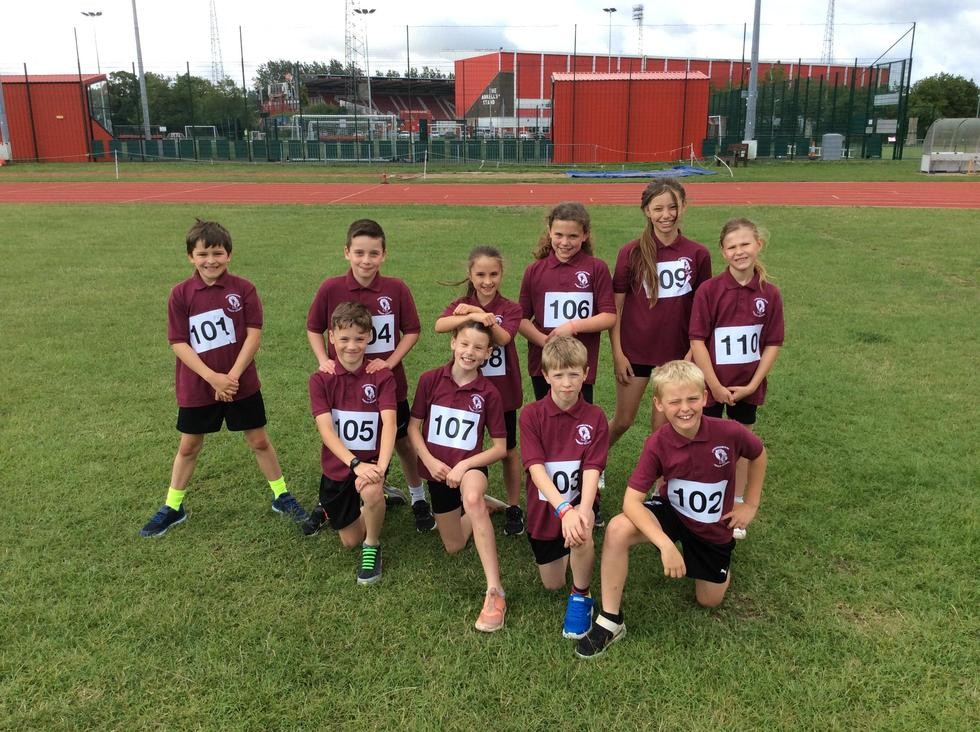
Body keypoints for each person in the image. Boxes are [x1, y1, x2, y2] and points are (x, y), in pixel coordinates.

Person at [575, 361, 767, 659]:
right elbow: (631, 501)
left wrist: (750, 503)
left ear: (705, 397)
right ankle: (611, 619)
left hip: (711, 525)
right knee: (618, 527)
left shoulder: (729, 432)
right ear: (659, 404)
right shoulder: (658, 442)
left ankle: (718, 563)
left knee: (708, 601)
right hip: (673, 512)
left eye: (692, 399)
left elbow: (758, 454)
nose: (685, 408)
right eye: (674, 401)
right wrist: (664, 544)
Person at [140, 219, 306, 538]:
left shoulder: (243, 289)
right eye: (202, 254)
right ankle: (173, 506)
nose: (210, 260)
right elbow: (178, 342)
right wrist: (212, 377)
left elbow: (253, 335)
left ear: (229, 255)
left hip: (240, 382)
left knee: (258, 439)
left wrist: (231, 376)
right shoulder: (180, 294)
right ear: (191, 257)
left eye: (217, 253)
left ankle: (281, 495)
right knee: (189, 445)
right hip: (198, 385)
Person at [306, 218, 434, 533]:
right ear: (347, 252)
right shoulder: (331, 287)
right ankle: (331, 501)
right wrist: (325, 360)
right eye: (359, 253)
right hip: (342, 385)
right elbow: (313, 327)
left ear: (384, 255)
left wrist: (389, 363)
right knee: (340, 434)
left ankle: (417, 497)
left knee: (402, 442)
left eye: (373, 253)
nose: (366, 260)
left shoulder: (396, 288)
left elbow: (412, 330)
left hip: (386, 384)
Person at [407, 321, 509, 632]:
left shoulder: (488, 393)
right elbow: (413, 427)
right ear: (453, 343)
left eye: (478, 347)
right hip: (438, 473)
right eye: (464, 344)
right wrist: (428, 460)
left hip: (470, 470)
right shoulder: (429, 380)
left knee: (472, 496)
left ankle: (495, 592)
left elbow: (501, 447)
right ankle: (483, 509)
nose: (470, 352)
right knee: (452, 546)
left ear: (488, 354)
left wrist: (465, 466)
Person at [689, 217, 783, 539]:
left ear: (758, 245)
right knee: (707, 442)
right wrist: (713, 384)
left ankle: (739, 501)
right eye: (732, 246)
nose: (739, 251)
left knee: (742, 445)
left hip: (747, 385)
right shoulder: (709, 291)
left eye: (745, 244)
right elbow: (697, 340)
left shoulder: (769, 294)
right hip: (712, 384)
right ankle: (706, 498)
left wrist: (754, 384)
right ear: (723, 251)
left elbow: (773, 342)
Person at [609, 179, 712, 446]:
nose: (666, 215)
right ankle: (593, 464)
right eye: (658, 209)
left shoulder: (698, 253)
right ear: (646, 211)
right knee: (623, 420)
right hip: (635, 352)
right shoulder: (630, 253)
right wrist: (618, 354)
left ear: (683, 207)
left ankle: (660, 484)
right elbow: (615, 307)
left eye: (672, 207)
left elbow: (703, 310)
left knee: (663, 428)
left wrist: (692, 353)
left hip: (677, 354)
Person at [520, 337, 608, 640]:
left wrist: (581, 510)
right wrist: (563, 509)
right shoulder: (531, 414)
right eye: (558, 375)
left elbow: (592, 468)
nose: (567, 383)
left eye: (574, 374)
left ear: (586, 373)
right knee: (551, 583)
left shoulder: (595, 417)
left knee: (581, 530)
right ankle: (571, 548)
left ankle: (581, 596)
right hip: (547, 508)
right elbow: (535, 468)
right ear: (545, 376)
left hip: (578, 502)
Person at [302, 302, 397, 585]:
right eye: (344, 339)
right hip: (341, 465)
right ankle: (375, 504)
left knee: (370, 494)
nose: (352, 346)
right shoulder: (321, 379)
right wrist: (354, 465)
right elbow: (326, 430)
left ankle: (373, 543)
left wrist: (378, 468)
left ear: (369, 337)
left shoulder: (381, 376)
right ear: (331, 338)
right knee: (348, 541)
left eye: (358, 338)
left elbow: (390, 424)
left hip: (371, 462)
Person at [435, 245, 526, 537]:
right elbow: (439, 325)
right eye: (481, 274)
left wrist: (478, 311)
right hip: (465, 392)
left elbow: (502, 336)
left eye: (494, 274)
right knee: (464, 445)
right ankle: (467, 495)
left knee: (508, 449)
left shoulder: (511, 308)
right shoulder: (460, 303)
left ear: (502, 275)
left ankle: (513, 505)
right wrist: (467, 315)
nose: (488, 281)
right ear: (470, 275)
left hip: (502, 390)